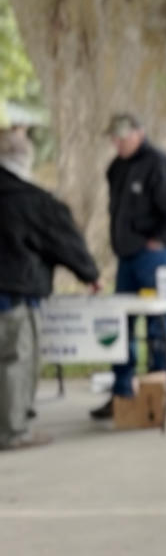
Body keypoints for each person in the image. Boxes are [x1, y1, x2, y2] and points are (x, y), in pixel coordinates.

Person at [90, 114, 166, 420]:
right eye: (113, 138)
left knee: (158, 324)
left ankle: (163, 391)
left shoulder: (160, 164)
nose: (117, 143)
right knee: (120, 324)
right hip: (126, 257)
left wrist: (162, 239)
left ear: (139, 133)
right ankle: (123, 394)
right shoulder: (116, 167)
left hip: (155, 258)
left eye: (122, 137)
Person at [0, 127, 101, 450]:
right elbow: (63, 241)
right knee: (17, 361)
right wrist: (89, 274)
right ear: (24, 158)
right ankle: (14, 430)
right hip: (15, 292)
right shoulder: (33, 201)